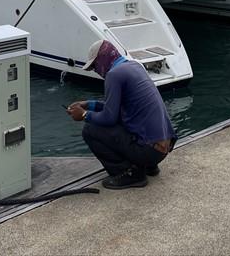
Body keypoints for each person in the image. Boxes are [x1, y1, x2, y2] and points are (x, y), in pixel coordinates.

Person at [66, 39, 177, 189]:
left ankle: (130, 174)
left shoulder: (114, 75)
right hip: (160, 149)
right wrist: (89, 104)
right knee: (122, 122)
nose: (96, 71)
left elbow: (109, 118)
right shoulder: (133, 66)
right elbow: (116, 109)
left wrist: (84, 115)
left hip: (148, 151)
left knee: (90, 130)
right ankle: (149, 166)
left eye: (94, 66)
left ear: (102, 59)